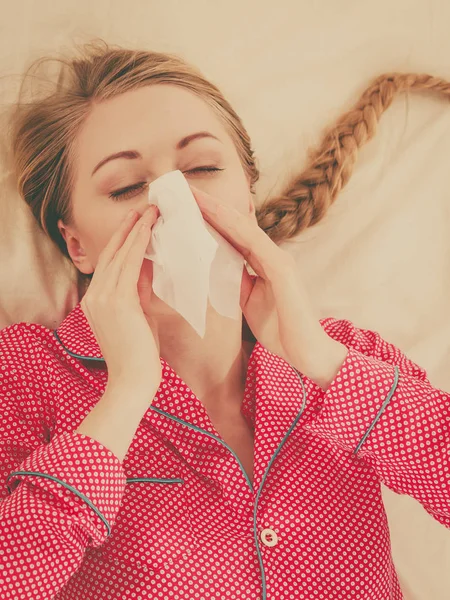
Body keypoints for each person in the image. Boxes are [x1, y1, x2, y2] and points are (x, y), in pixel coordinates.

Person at [1, 39, 449, 600]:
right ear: (76, 244)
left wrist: (324, 365)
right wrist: (123, 400)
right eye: (127, 187)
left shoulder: (348, 358)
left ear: (247, 193)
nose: (173, 204)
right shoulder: (24, 376)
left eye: (202, 168)